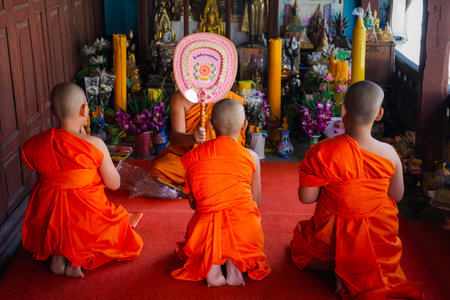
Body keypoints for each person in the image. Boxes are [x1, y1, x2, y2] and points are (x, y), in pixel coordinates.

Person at [290, 81, 424, 299]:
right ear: (379, 114)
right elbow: (397, 196)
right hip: (376, 241)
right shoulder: (390, 153)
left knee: (300, 246)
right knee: (381, 222)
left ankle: (339, 266)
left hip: (331, 238)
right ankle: (358, 267)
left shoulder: (321, 152)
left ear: (343, 110)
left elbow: (306, 198)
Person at [21, 83, 143, 278]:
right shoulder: (95, 145)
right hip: (86, 218)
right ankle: (77, 258)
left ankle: (59, 256)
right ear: (84, 110)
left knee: (61, 203)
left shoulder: (37, 143)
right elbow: (114, 184)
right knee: (121, 227)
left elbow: (51, 181)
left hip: (49, 219)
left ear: (52, 110)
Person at [171, 99, 271, 287]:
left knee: (206, 219)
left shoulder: (194, 156)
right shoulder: (251, 156)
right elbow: (255, 202)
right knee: (243, 219)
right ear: (244, 125)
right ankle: (234, 262)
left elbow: (194, 203)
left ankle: (212, 263)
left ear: (210, 125)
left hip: (204, 231)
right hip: (244, 229)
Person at [148, 90, 245, 189]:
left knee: (239, 167)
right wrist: (193, 138)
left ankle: (195, 186)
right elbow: (177, 136)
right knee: (158, 169)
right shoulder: (179, 97)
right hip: (190, 158)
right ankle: (209, 184)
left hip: (219, 160)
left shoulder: (228, 97)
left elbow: (234, 144)